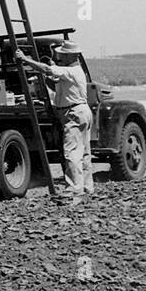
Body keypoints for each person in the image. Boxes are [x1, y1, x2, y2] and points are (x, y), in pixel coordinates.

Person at [17, 40, 94, 200]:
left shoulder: (71, 71)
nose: (60, 57)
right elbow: (56, 85)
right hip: (79, 111)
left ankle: (74, 189)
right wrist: (45, 78)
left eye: (63, 55)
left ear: (70, 56)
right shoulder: (74, 72)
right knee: (84, 152)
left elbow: (47, 69)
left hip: (73, 112)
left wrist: (25, 59)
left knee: (71, 152)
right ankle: (86, 187)